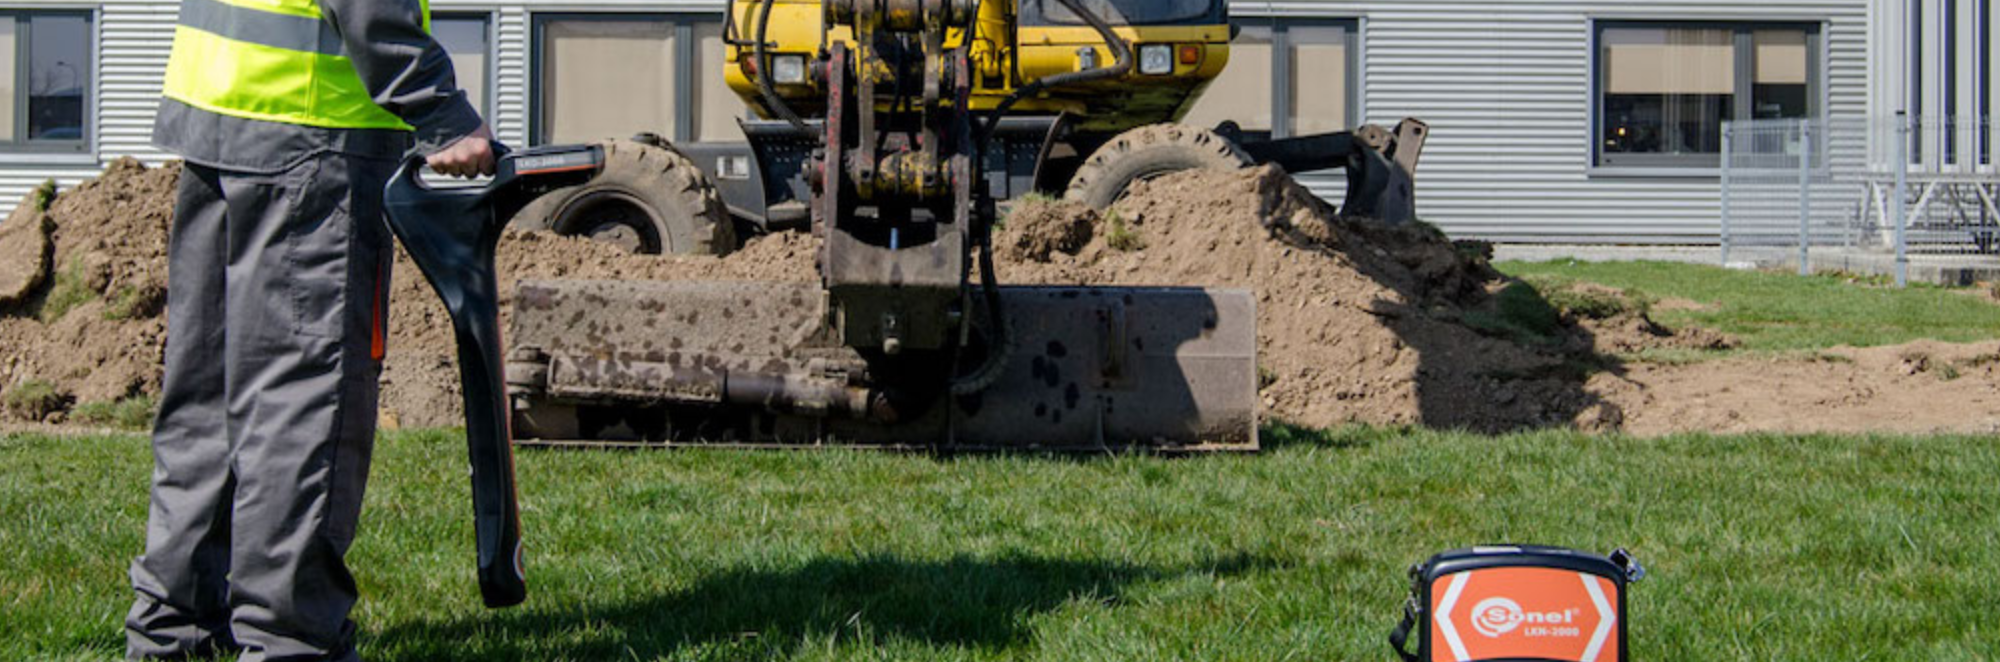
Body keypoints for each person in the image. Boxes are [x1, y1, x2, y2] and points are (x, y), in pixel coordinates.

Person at [125, 0, 494, 659]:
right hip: (311, 139)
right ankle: (290, 642)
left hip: (218, 120)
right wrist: (440, 113)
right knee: (303, 407)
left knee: (206, 402)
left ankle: (174, 632)